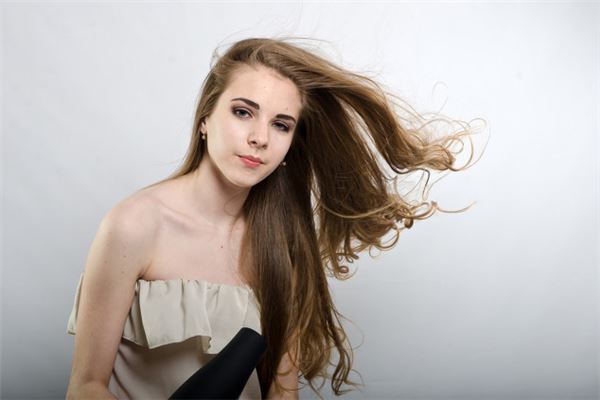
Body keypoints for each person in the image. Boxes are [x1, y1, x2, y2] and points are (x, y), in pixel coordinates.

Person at [65, 36, 484, 400]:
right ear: (205, 119)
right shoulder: (134, 226)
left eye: (281, 125)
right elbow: (85, 387)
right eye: (243, 112)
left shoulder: (282, 246)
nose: (260, 138)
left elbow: (282, 392)